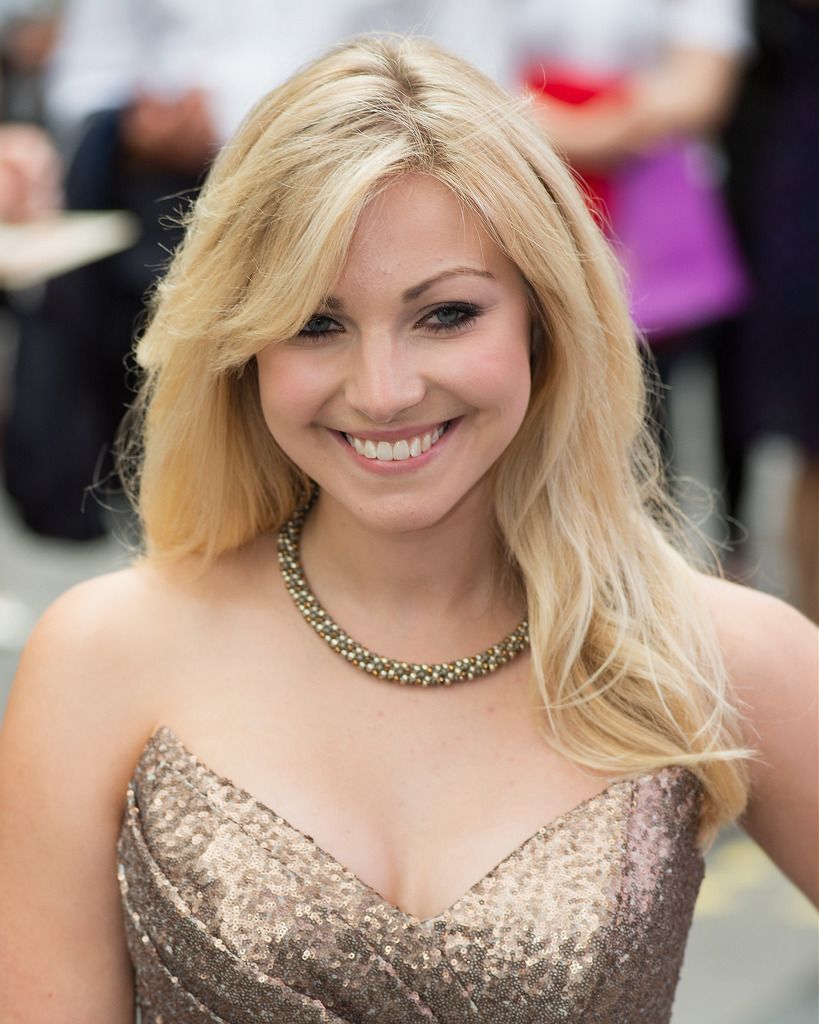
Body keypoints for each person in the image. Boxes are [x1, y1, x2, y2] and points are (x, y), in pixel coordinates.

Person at [0, 35, 815, 1023]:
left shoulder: (717, 651)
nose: (384, 391)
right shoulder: (102, 659)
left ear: (544, 323)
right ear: (240, 345)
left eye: (445, 315)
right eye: (314, 322)